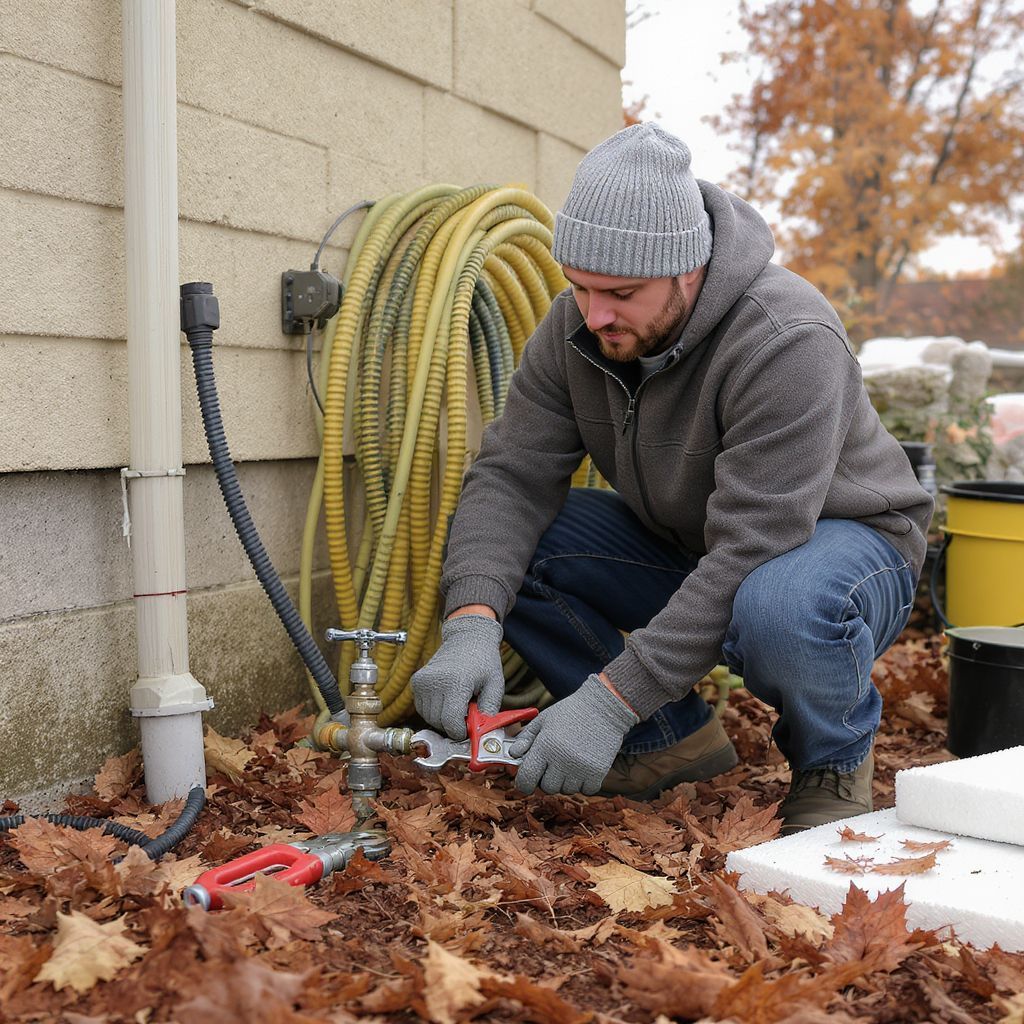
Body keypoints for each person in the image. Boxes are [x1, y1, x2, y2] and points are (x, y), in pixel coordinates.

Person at [411, 123, 933, 832]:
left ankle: (833, 763)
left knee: (779, 602)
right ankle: (670, 744)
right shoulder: (577, 325)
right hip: (691, 543)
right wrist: (471, 620)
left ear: (689, 268)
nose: (594, 315)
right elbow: (511, 476)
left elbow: (754, 545)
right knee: (519, 539)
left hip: (838, 549)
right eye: (580, 287)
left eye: (621, 292)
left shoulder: (787, 338)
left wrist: (608, 700)